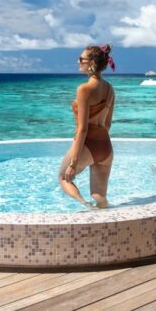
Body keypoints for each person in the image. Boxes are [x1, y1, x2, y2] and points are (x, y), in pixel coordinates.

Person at [59, 44, 116, 209]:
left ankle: (86, 206)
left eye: (81, 59)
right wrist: (99, 146)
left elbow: (82, 128)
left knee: (63, 178)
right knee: (99, 196)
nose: (78, 61)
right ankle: (107, 215)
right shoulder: (109, 89)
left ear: (92, 63)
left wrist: (73, 163)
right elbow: (107, 123)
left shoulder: (84, 89)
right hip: (105, 146)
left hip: (87, 144)